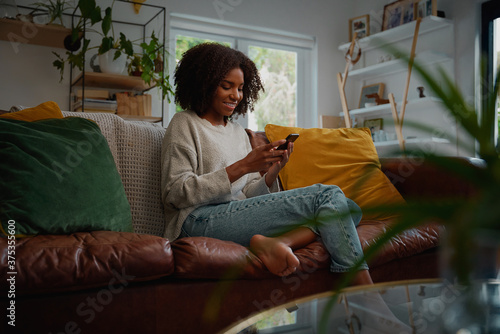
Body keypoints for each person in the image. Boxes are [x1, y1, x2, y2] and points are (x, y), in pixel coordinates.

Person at [160, 42, 373, 284]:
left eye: (240, 88)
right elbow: (174, 193)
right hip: (197, 221)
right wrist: (242, 166)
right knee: (329, 197)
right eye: (226, 86)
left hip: (233, 217)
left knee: (349, 207)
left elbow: (250, 194)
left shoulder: (238, 132)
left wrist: (272, 172)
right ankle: (364, 294)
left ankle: (279, 243)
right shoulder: (184, 124)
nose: (236, 96)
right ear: (204, 83)